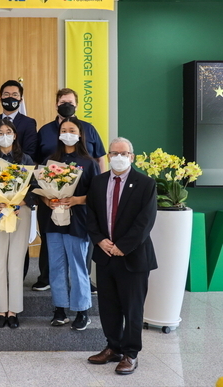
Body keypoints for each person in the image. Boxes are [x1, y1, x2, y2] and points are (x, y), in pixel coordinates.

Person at [86, 137, 157, 375]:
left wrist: (123, 246)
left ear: (131, 157)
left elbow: (145, 221)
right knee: (109, 306)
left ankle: (130, 353)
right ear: (108, 156)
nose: (118, 157)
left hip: (133, 257)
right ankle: (113, 347)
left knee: (132, 308)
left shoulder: (145, 184)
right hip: (105, 254)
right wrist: (99, 239)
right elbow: (91, 215)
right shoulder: (98, 182)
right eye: (114, 153)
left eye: (123, 153)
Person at [33, 88, 106, 292]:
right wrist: (45, 196)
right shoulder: (45, 131)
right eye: (63, 102)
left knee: (82, 241)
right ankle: (46, 277)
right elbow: (38, 163)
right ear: (56, 104)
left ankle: (83, 279)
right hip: (51, 199)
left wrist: (97, 189)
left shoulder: (88, 129)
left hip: (81, 198)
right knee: (51, 238)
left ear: (77, 105)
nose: (66, 105)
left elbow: (99, 158)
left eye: (70, 102)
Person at [39, 117, 100, 331]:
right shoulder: (50, 161)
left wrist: (77, 200)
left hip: (78, 221)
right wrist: (48, 200)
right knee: (56, 266)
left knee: (77, 266)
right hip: (54, 220)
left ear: (80, 134)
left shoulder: (90, 163)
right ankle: (60, 309)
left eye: (72, 130)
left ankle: (82, 311)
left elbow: (97, 194)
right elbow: (41, 191)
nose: (67, 133)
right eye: (63, 130)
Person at [0, 80, 38, 285]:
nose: (10, 98)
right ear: (0, 97)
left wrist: (15, 187)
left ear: (20, 98)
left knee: (18, 244)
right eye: (6, 94)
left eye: (14, 94)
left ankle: (20, 275)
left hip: (19, 190)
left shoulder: (28, 122)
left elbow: (30, 153)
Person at [0, 119, 35, 329]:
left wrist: (20, 201)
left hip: (20, 212)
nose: (4, 136)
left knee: (15, 261)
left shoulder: (26, 159)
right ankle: (0, 309)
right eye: (0, 132)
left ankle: (13, 310)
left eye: (8, 132)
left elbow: (35, 189)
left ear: (14, 135)